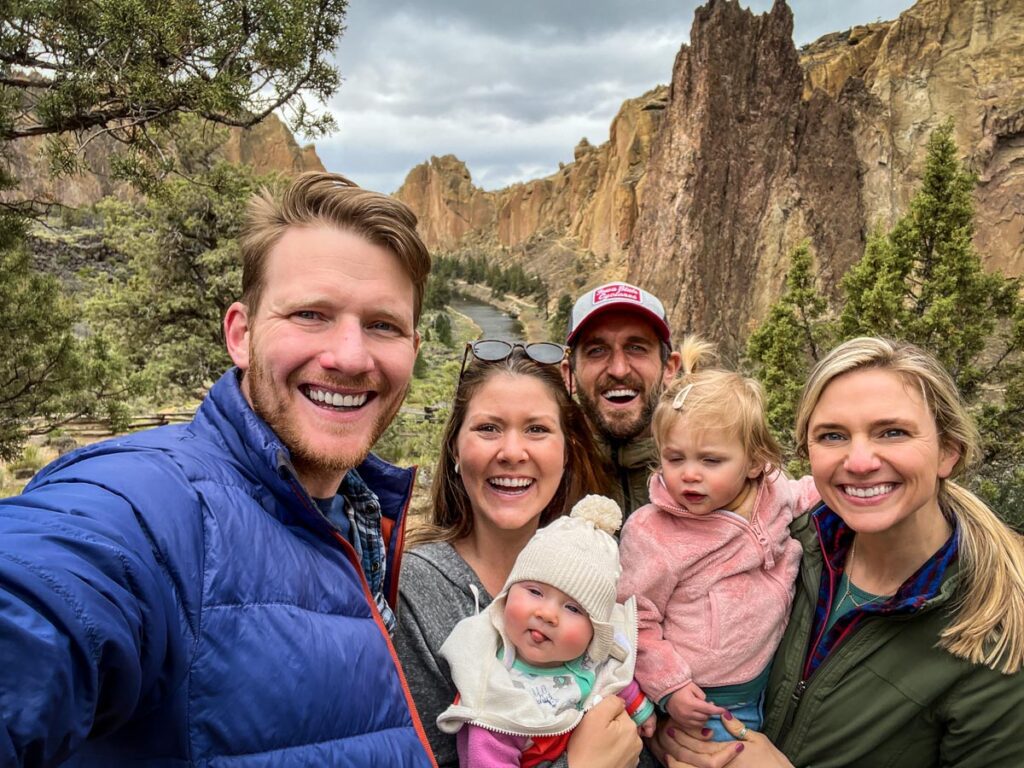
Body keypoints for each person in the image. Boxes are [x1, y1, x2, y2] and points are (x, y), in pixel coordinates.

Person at [0, 172, 437, 766]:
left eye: (382, 325)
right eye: (310, 314)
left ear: (412, 348)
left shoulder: (359, 513)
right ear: (241, 334)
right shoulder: (154, 501)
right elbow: (46, 592)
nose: (350, 356)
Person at [653, 337, 1024, 768]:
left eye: (893, 432)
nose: (861, 460)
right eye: (833, 435)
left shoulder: (997, 635)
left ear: (948, 451)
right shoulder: (783, 546)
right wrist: (669, 727)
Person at [393, 340, 644, 768]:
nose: (512, 452)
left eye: (537, 429)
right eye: (488, 428)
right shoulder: (416, 592)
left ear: (567, 453)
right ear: (455, 448)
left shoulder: (603, 569)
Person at [617, 337, 819, 742]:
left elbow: (812, 492)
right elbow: (633, 618)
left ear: (755, 461)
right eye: (675, 459)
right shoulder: (652, 533)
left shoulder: (774, 492)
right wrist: (669, 687)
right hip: (702, 700)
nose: (689, 474)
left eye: (711, 460)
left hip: (772, 677)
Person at [436, 495, 657, 767]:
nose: (547, 614)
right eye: (535, 592)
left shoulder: (591, 657)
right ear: (507, 594)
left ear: (595, 631)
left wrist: (641, 710)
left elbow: (613, 680)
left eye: (573, 609)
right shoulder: (496, 689)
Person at [562, 282, 681, 518]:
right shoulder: (543, 479)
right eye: (596, 350)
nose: (619, 369)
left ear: (669, 368)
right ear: (569, 375)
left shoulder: (720, 472)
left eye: (636, 347)